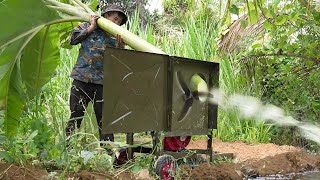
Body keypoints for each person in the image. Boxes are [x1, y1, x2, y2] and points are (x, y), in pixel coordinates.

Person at [66, 4, 128, 145]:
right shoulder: (87, 26)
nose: (116, 22)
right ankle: (67, 148)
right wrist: (91, 28)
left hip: (102, 84)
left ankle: (107, 153)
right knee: (76, 115)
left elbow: (119, 65)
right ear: (106, 15)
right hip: (81, 79)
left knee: (104, 120)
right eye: (115, 18)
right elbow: (73, 40)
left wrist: (119, 49)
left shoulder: (118, 38)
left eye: (119, 21)